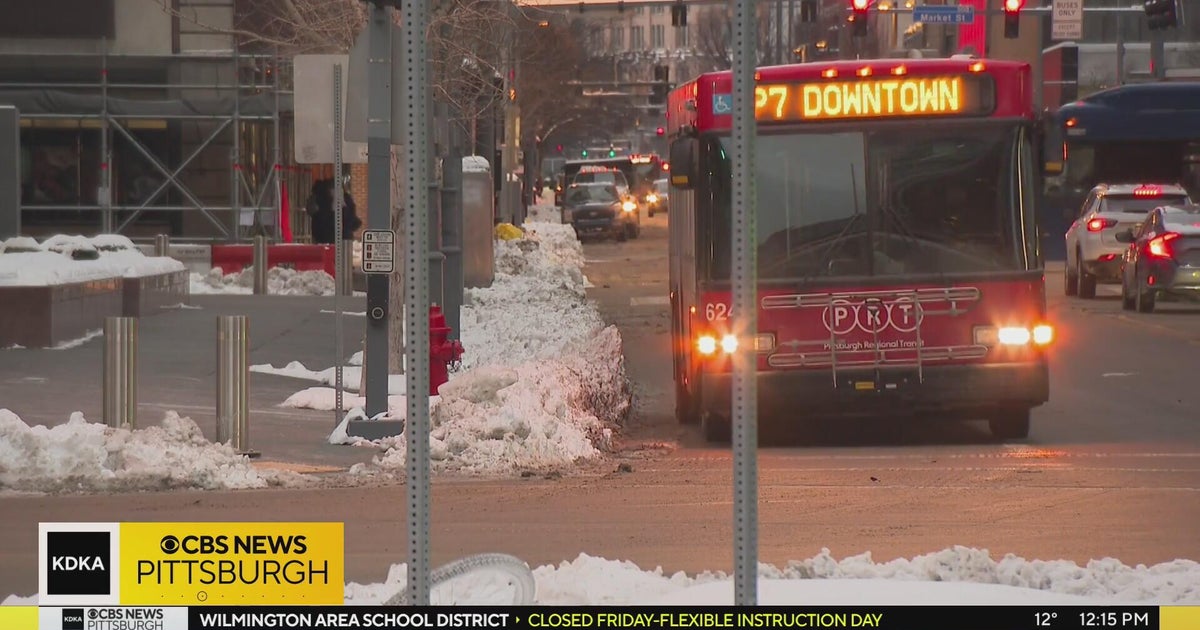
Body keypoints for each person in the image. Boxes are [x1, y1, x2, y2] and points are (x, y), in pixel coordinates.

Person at [307, 177, 361, 244]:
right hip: (329, 237)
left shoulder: (345, 199)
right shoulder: (320, 198)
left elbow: (351, 219)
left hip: (337, 237)